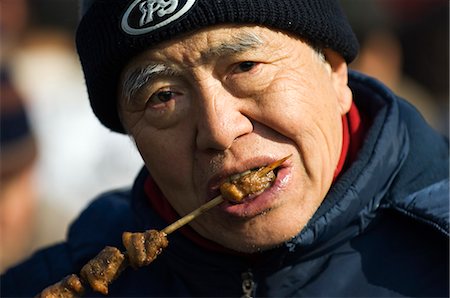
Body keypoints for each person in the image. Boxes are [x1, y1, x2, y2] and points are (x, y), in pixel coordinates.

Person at [1, 0, 448, 296]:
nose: (218, 130)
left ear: (333, 72)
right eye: (162, 96)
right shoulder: (57, 282)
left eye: (246, 66)